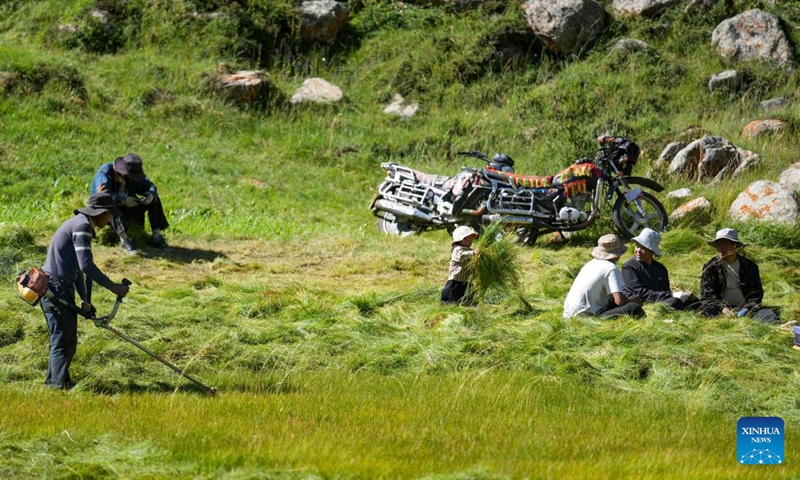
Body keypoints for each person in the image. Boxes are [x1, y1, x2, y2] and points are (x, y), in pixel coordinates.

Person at [39, 193, 131, 389]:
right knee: (63, 339)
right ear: (100, 213)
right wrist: (113, 287)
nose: (108, 222)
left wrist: (84, 298)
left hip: (59, 285)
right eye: (108, 216)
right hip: (56, 286)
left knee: (65, 338)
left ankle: (55, 383)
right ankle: (57, 387)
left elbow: (78, 269)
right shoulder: (83, 227)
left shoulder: (79, 223)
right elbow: (87, 265)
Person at [90, 153, 169, 255]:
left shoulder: (132, 177)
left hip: (128, 210)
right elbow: (103, 195)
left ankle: (156, 237)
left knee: (155, 198)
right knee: (109, 201)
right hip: (106, 214)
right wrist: (123, 200)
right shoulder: (105, 173)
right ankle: (125, 240)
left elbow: (149, 185)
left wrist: (151, 194)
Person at [699, 228, 779, 323]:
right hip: (720, 309)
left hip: (746, 309)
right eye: (718, 245)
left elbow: (756, 295)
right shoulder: (710, 266)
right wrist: (723, 308)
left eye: (724, 245)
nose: (720, 249)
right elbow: (707, 296)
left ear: (735, 246)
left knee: (768, 315)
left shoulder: (749, 266)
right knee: (705, 312)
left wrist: (746, 309)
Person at [563, 233, 645, 319]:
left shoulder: (590, 264)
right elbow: (619, 301)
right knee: (634, 307)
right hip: (586, 317)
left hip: (568, 314)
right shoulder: (611, 268)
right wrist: (634, 301)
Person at [621, 228, 699, 310]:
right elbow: (640, 293)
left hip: (659, 300)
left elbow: (665, 291)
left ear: (652, 250)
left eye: (643, 248)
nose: (638, 251)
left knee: (692, 299)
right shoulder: (629, 267)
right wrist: (672, 295)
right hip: (642, 305)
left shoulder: (661, 269)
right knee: (675, 302)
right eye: (637, 246)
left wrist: (685, 295)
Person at [441, 225, 480, 305]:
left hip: (466, 281)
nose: (471, 241)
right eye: (469, 238)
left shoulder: (469, 250)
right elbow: (461, 256)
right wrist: (473, 253)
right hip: (455, 281)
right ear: (462, 239)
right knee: (451, 299)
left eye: (471, 238)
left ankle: (469, 304)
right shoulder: (457, 249)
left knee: (468, 297)